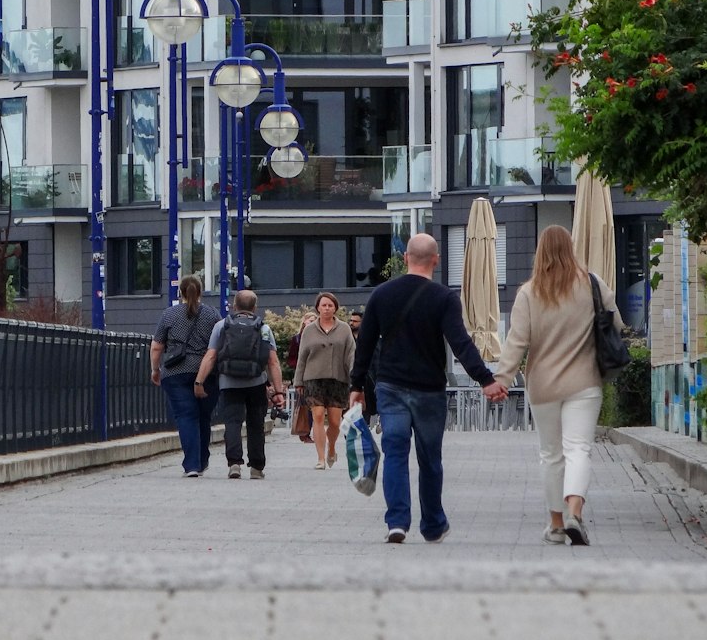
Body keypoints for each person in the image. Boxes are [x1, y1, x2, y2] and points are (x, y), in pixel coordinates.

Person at [350, 232, 507, 544]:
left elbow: (364, 345)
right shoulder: (444, 298)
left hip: (390, 387)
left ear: (406, 258)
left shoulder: (381, 294)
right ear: (436, 260)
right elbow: (461, 343)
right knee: (430, 459)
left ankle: (397, 522)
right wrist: (486, 380)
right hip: (429, 391)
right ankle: (433, 524)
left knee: (395, 451)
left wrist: (356, 385)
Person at [494, 224, 623, 547]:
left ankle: (555, 525)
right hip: (585, 382)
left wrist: (501, 380)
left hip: (544, 386)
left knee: (551, 455)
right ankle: (574, 512)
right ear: (570, 248)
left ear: (540, 252)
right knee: (579, 448)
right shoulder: (593, 283)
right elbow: (617, 324)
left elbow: (517, 341)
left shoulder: (529, 292)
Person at [195, 289, 285, 479]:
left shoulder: (222, 325)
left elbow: (211, 356)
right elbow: (273, 361)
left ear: (234, 306)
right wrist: (278, 391)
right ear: (255, 307)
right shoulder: (264, 328)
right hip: (256, 382)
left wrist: (199, 381)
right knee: (256, 424)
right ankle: (257, 467)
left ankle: (234, 463)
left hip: (229, 382)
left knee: (233, 423)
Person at [150, 275, 220, 477]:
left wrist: (156, 370)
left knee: (186, 417)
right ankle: (202, 460)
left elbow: (156, 347)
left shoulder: (169, 314)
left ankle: (192, 465)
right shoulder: (212, 314)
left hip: (176, 371)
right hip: (206, 372)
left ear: (180, 292)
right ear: (200, 292)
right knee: (203, 416)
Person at [293, 291, 355, 469]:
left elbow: (351, 354)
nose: (327, 308)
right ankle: (320, 458)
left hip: (338, 379)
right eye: (323, 305)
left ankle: (332, 448)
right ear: (318, 308)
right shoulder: (309, 330)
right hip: (313, 379)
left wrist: (354, 377)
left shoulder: (344, 329)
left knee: (335, 421)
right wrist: (299, 381)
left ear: (335, 307)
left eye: (330, 305)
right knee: (318, 416)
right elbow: (302, 357)